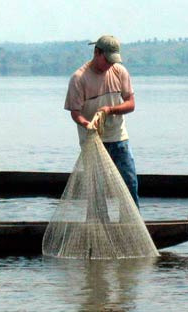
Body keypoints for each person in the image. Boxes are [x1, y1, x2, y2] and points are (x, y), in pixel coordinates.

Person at [64, 35, 139, 207]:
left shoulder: (119, 72)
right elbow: (75, 113)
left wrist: (110, 110)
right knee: (97, 191)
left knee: (129, 184)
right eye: (108, 60)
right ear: (97, 53)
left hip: (119, 139)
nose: (111, 65)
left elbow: (131, 104)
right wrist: (87, 125)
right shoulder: (79, 78)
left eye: (114, 61)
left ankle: (129, 226)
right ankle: (100, 228)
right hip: (93, 141)